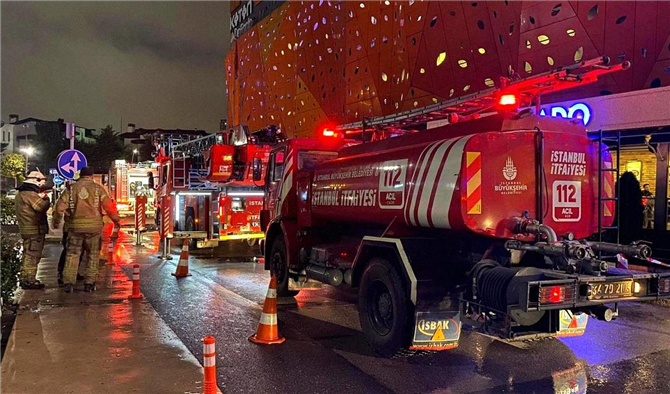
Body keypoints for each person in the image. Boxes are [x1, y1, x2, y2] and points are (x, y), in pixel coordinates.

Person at [53, 167, 120, 293]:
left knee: (72, 254)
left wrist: (56, 223)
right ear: (92, 175)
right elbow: (109, 207)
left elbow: (59, 208)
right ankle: (89, 283)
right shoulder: (98, 189)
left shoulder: (71, 189)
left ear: (80, 175)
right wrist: (116, 220)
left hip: (75, 228)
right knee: (93, 255)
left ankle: (68, 283)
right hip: (94, 229)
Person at [16, 170, 50, 289]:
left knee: (29, 254)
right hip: (33, 230)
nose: (42, 184)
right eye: (42, 181)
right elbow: (40, 206)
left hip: (28, 229)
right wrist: (46, 199)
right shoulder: (29, 194)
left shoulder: (23, 192)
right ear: (36, 180)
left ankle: (26, 278)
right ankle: (28, 280)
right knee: (32, 255)